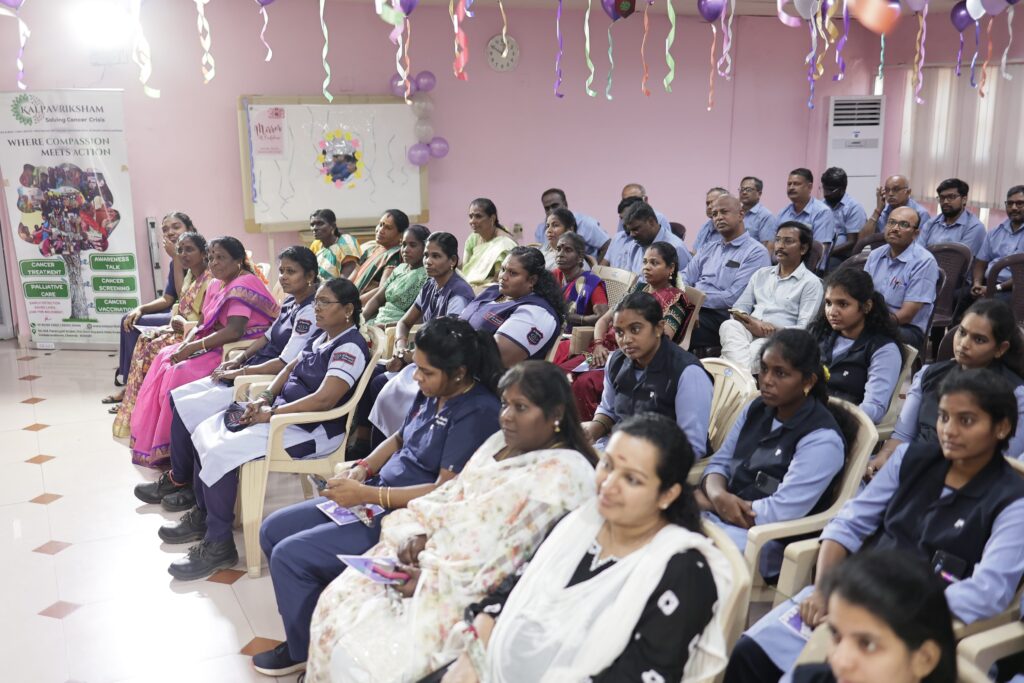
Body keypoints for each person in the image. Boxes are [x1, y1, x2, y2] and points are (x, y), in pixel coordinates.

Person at [305, 362, 600, 683]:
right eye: (505, 404)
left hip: (464, 587)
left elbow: (513, 561)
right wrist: (418, 534)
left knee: (368, 658)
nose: (506, 416)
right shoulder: (498, 443)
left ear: (556, 414)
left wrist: (430, 577)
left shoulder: (563, 476)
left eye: (521, 407)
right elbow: (451, 496)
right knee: (336, 602)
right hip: (430, 551)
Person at [726, 368, 1024, 683]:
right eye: (944, 417)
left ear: (1002, 427)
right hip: (851, 596)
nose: (949, 430)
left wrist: (890, 604)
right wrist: (826, 589)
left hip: (916, 624)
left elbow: (987, 592)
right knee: (748, 654)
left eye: (966, 421)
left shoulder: (1012, 502)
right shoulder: (909, 459)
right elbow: (847, 524)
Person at [250, 317, 503, 676]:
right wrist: (363, 468)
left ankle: (306, 650)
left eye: (426, 371)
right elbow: (399, 438)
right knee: (272, 530)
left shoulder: (477, 412)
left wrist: (368, 494)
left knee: (291, 557)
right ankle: (310, 631)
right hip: (374, 493)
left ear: (459, 372)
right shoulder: (434, 391)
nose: (417, 377)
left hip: (405, 514)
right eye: (417, 367)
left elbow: (445, 491)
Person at [429, 413, 734, 683]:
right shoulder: (580, 522)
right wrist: (471, 658)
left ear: (667, 495)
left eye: (631, 479)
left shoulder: (683, 573)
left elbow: (643, 674)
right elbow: (508, 591)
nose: (608, 485)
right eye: (607, 465)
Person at [157, 278, 371, 580]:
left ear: (348, 310)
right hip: (282, 414)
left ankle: (219, 544)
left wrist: (272, 414)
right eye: (317, 301)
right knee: (205, 429)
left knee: (220, 450)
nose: (317, 308)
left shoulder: (349, 348)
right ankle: (206, 515)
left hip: (309, 431)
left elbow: (325, 399)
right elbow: (289, 367)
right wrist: (265, 398)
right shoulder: (324, 336)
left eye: (325, 302)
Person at [132, 246, 321, 509]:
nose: (284, 277)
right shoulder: (291, 301)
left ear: (310, 276)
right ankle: (180, 477)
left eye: (292, 272)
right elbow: (267, 338)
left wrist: (239, 372)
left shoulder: (311, 312)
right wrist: (239, 358)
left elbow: (284, 363)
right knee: (178, 398)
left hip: (265, 381)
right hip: (254, 367)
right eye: (282, 271)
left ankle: (184, 483)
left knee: (190, 410)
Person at [368, 246, 565, 438]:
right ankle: (387, 450)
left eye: (513, 273)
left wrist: (430, 359)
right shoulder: (494, 292)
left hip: (477, 380)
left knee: (385, 386)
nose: (503, 276)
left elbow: (495, 357)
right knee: (379, 378)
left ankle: (405, 450)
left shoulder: (536, 313)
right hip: (452, 364)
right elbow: (456, 327)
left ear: (532, 280)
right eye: (503, 269)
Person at [698, 330, 853, 562]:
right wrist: (718, 495)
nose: (767, 380)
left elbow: (780, 512)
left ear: (808, 382)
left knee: (679, 549)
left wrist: (713, 503)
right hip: (723, 516)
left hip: (765, 539)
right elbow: (720, 462)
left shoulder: (822, 439)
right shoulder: (757, 408)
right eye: (764, 369)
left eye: (780, 373)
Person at [128, 237, 279, 468]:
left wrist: (192, 348)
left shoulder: (243, 284)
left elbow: (234, 331)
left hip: (236, 349)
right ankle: (160, 443)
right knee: (164, 357)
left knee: (179, 371)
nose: (214, 263)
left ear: (238, 261)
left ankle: (171, 447)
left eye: (221, 258)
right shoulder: (216, 284)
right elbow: (201, 322)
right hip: (214, 341)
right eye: (211, 257)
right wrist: (186, 343)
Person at [350, 232, 477, 457]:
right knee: (370, 371)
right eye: (426, 255)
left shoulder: (459, 294)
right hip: (421, 356)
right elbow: (404, 322)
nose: (428, 261)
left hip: (441, 364)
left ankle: (383, 454)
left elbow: (448, 343)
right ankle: (363, 442)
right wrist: (400, 347)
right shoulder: (430, 285)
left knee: (379, 383)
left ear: (452, 261)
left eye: (436, 256)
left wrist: (408, 357)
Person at [867, 298, 1024, 479]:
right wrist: (883, 457)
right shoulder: (930, 374)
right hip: (911, 466)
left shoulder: (1016, 395)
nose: (964, 343)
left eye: (979, 339)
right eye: (962, 332)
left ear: (1000, 349)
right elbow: (902, 437)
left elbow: (1002, 462)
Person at [789, 549, 957, 683]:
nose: (840, 661)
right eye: (836, 636)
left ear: (924, 659)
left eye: (867, 644)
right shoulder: (809, 678)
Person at [581, 291, 714, 457]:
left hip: (663, 462)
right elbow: (609, 411)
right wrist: (591, 433)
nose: (626, 339)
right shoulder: (616, 361)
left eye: (635, 329)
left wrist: (635, 459)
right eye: (619, 332)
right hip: (620, 450)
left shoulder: (687, 373)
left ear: (659, 328)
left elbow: (692, 446)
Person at [569, 242, 693, 420]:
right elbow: (604, 320)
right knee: (562, 375)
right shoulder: (637, 289)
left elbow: (661, 339)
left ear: (671, 268)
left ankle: (595, 430)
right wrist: (598, 345)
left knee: (583, 383)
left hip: (632, 359)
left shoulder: (675, 299)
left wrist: (621, 351)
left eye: (654, 263)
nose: (647, 267)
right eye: (645, 262)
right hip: (604, 350)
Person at [112, 232, 212, 435]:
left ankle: (148, 410)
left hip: (193, 332)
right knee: (144, 338)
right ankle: (135, 406)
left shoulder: (210, 280)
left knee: (152, 348)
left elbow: (205, 319)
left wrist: (180, 325)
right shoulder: (190, 275)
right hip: (180, 326)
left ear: (203, 253)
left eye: (189, 250)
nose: (183, 254)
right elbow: (181, 301)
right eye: (180, 250)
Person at [107, 211, 192, 402]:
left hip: (188, 316)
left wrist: (176, 258)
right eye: (165, 229)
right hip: (175, 310)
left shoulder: (196, 255)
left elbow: (185, 300)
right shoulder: (177, 258)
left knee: (135, 326)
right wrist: (141, 309)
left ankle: (134, 388)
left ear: (190, 229)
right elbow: (168, 298)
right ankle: (129, 382)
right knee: (129, 319)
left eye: (176, 227)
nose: (170, 232)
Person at [719, 221, 823, 373]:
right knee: (729, 325)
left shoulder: (811, 283)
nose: (780, 246)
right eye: (778, 240)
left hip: (778, 339)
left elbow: (805, 329)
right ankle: (743, 378)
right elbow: (738, 308)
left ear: (803, 248)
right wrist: (756, 323)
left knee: (752, 351)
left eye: (788, 241)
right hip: (749, 329)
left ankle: (736, 375)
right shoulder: (761, 274)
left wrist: (771, 330)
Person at [808, 268, 903, 425]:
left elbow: (875, 409)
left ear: (866, 306)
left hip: (842, 425)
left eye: (843, 304)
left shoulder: (884, 350)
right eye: (828, 303)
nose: (832, 312)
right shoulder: (821, 334)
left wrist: (829, 416)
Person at [684, 194, 771, 351]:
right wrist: (688, 302)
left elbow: (733, 298)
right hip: (694, 307)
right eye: (714, 214)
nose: (718, 217)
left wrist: (694, 300)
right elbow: (684, 277)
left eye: (724, 212)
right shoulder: (708, 248)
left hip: (724, 316)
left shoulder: (756, 252)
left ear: (741, 215)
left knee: (670, 325)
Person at [862, 206, 940, 351]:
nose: (895, 228)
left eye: (903, 224)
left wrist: (874, 323)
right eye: (891, 222)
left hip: (907, 328)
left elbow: (907, 314)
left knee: (866, 334)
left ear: (915, 234)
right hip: (873, 319)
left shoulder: (924, 262)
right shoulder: (875, 255)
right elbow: (862, 295)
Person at [965, 184, 1024, 303]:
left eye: (1019, 203)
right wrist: (977, 284)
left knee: (985, 307)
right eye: (1010, 203)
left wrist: (994, 288)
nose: (1013, 208)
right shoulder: (995, 232)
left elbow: (1021, 277)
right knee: (956, 297)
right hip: (988, 284)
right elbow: (980, 263)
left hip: (1015, 289)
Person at [602, 200, 691, 277]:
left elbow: (683, 286)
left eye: (636, 229)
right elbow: (629, 280)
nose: (631, 235)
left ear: (651, 222)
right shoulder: (634, 245)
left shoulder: (676, 248)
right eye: (630, 230)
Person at [363, 224, 429, 326]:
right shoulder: (400, 269)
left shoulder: (427, 275)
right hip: (378, 320)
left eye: (412, 245)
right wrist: (360, 320)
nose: (405, 250)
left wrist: (386, 327)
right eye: (403, 244)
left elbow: (421, 317)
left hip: (398, 327)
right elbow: (377, 299)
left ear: (425, 248)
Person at [776, 168, 836, 271]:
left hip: (810, 269)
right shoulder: (783, 213)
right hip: (783, 266)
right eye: (789, 184)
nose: (791, 187)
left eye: (796, 184)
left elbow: (819, 250)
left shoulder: (822, 212)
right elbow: (775, 243)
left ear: (809, 187)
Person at [533, 188, 609, 259]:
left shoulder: (585, 223)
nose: (551, 211)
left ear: (565, 204)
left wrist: (597, 268)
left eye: (555, 206)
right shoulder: (541, 229)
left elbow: (607, 245)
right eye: (547, 208)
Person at [553, 232, 608, 330]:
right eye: (558, 249)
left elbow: (603, 317)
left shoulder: (590, 282)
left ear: (580, 257)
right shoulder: (555, 275)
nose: (560, 254)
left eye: (568, 250)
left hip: (578, 335)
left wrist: (576, 318)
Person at [917, 178, 986, 255]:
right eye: (942, 197)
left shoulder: (974, 227)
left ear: (964, 199)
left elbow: (959, 259)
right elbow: (918, 253)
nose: (945, 201)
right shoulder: (931, 223)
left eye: (951, 197)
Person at [856, 174, 931, 243]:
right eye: (887, 190)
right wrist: (878, 210)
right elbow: (863, 240)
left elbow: (920, 244)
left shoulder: (920, 214)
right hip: (881, 252)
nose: (890, 194)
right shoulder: (882, 212)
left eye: (896, 189)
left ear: (908, 192)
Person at [462, 198, 518, 286]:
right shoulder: (472, 239)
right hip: (468, 285)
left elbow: (499, 278)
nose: (472, 221)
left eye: (478, 216)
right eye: (471, 216)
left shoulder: (505, 243)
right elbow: (465, 269)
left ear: (492, 218)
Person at [350, 209, 407, 293]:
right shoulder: (370, 249)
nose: (381, 230)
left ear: (401, 235)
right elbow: (353, 278)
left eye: (388, 228)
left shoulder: (394, 255)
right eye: (380, 225)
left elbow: (382, 290)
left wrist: (356, 300)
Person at [820, 167, 868, 266]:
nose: (826, 193)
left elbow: (852, 242)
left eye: (831, 190)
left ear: (842, 189)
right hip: (820, 251)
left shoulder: (854, 207)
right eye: (824, 188)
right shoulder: (821, 205)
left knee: (827, 267)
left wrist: (826, 253)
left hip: (841, 256)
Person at [309, 208, 360, 280]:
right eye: (312, 225)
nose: (315, 228)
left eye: (320, 223)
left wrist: (335, 286)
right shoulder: (316, 244)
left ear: (333, 226)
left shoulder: (345, 242)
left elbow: (350, 268)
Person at [740, 176, 778, 249]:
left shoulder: (766, 216)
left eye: (748, 190)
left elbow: (767, 249)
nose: (744, 192)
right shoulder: (736, 212)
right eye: (742, 189)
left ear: (759, 194)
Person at [692, 187, 730, 254]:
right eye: (707, 203)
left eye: (713, 202)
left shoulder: (730, 228)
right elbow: (694, 253)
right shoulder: (705, 227)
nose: (709, 207)